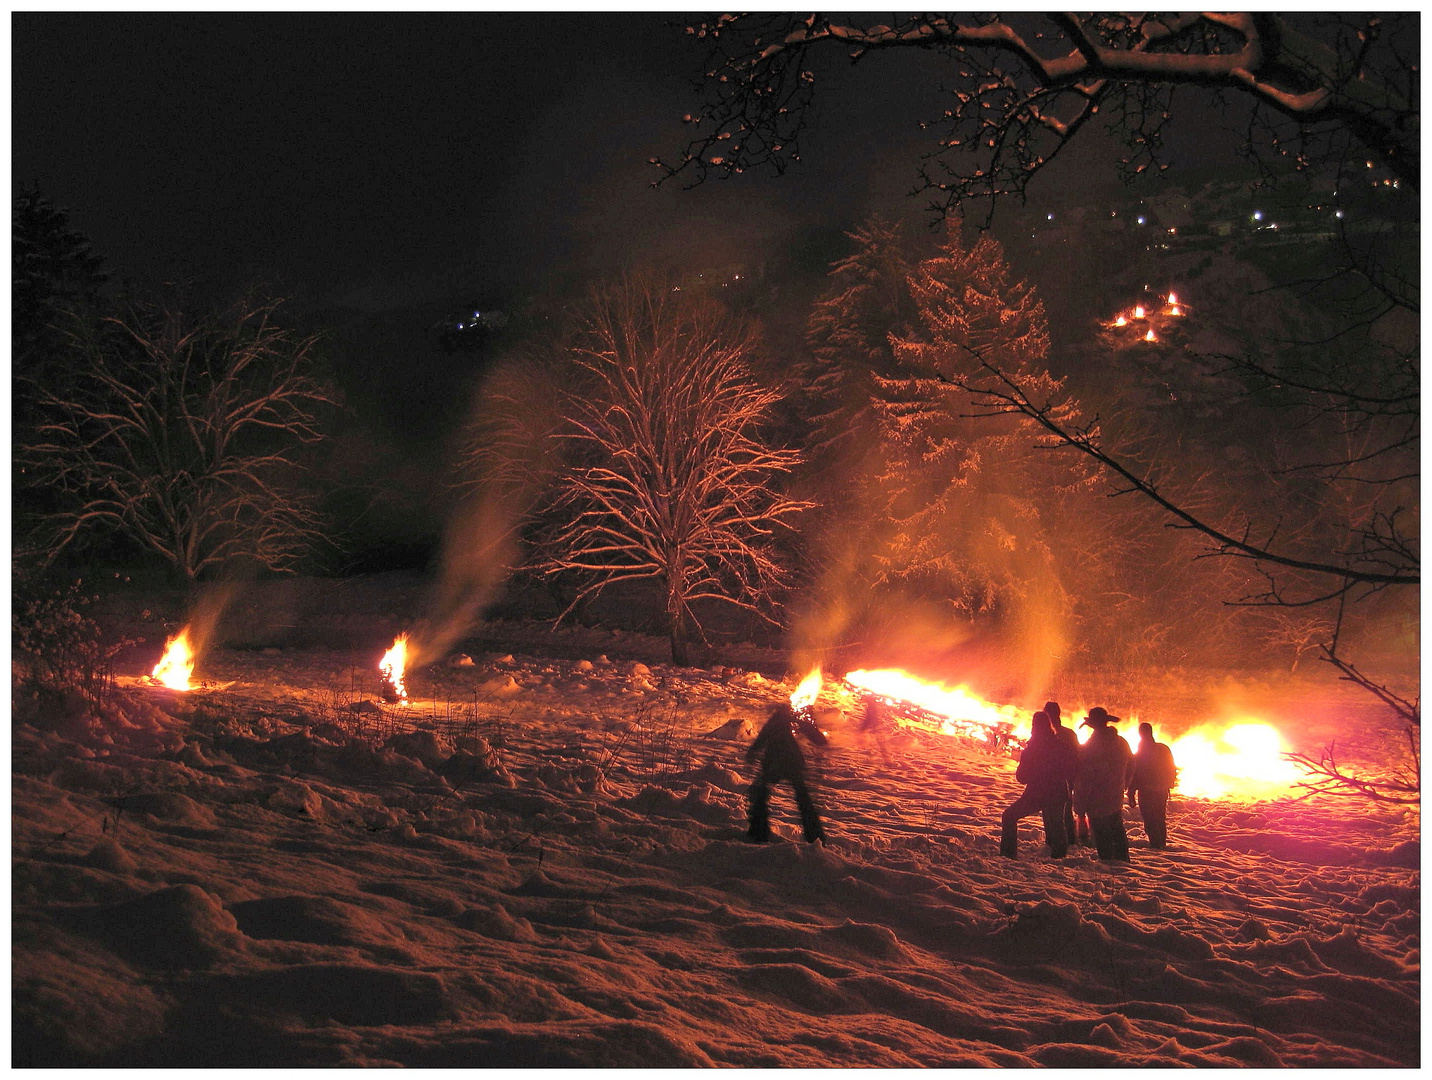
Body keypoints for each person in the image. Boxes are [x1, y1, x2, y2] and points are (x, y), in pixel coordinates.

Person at [746, 702, 830, 844]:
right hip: (791, 763)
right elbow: (816, 736)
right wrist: (819, 740)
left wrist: (752, 753)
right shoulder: (789, 720)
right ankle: (815, 836)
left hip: (776, 764)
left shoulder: (778, 721)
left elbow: (762, 739)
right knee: (803, 799)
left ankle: (759, 831)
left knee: (760, 794)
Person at [1000, 711, 1078, 859]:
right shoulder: (1061, 746)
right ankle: (1060, 857)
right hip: (1059, 791)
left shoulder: (1032, 750)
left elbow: (1022, 777)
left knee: (1009, 816)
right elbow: (1071, 768)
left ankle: (1008, 854)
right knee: (1057, 823)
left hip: (1038, 793)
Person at [1073, 707, 1134, 861]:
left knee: (1102, 836)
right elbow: (1132, 765)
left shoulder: (1091, 748)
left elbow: (1084, 779)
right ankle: (1123, 863)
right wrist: (1124, 784)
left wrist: (1080, 808)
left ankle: (1109, 868)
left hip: (1097, 801)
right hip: (1115, 797)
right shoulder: (1121, 742)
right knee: (1117, 829)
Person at [1128, 721, 1178, 849]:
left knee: (1150, 818)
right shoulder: (1163, 748)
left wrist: (1131, 793)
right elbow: (1171, 769)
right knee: (1159, 817)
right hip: (1161, 790)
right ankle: (1160, 843)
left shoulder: (1140, 753)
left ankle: (1156, 844)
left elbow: (1135, 774)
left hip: (1147, 791)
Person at [1045, 700, 1084, 845]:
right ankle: (1069, 840)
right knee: (1064, 810)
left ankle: (1057, 842)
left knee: (1054, 812)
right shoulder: (1069, 733)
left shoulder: (1051, 736)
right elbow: (1077, 755)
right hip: (1067, 778)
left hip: (1055, 778)